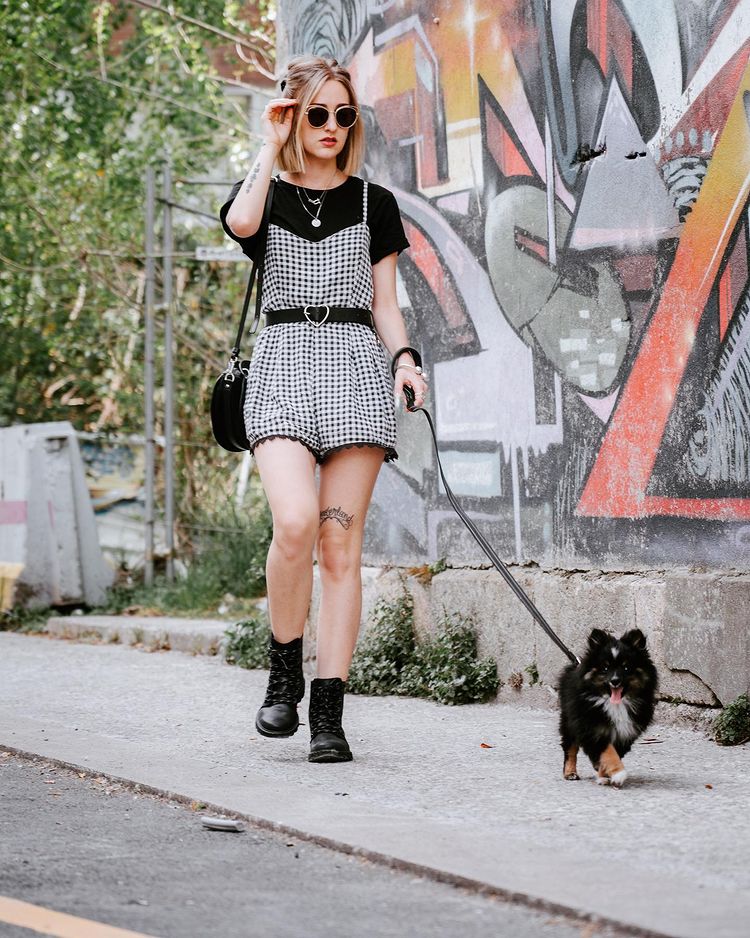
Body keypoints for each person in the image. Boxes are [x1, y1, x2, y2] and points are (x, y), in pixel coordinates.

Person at [220, 55, 428, 763]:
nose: (333, 127)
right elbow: (241, 220)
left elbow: (386, 306)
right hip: (281, 363)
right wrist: (269, 143)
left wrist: (406, 361)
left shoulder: (376, 205)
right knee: (297, 521)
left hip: (355, 370)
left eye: (344, 114)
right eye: (317, 114)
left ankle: (330, 715)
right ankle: (283, 673)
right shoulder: (268, 194)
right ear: (294, 117)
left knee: (341, 547)